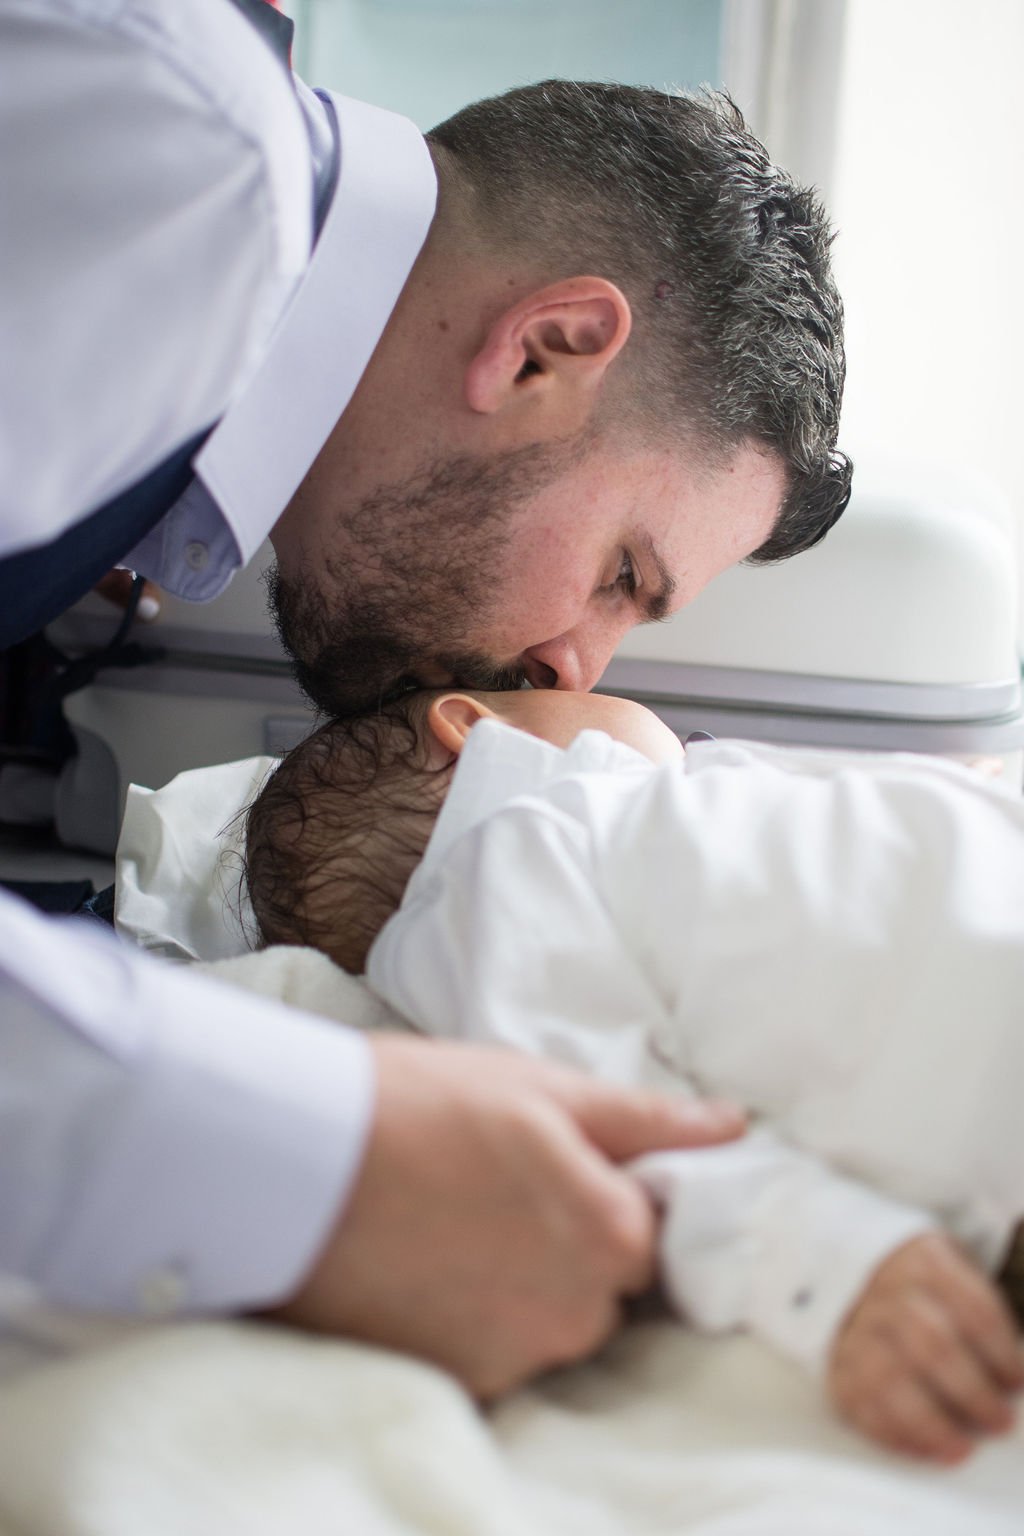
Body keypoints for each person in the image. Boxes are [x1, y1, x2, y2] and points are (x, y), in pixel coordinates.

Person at [0, 0, 850, 1390]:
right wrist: (328, 1165)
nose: (575, 667)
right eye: (622, 574)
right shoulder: (176, 167)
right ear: (542, 350)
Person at [242, 688, 1024, 1461]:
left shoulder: (683, 795)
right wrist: (828, 1259)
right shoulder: (503, 864)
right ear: (472, 725)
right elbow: (615, 1126)